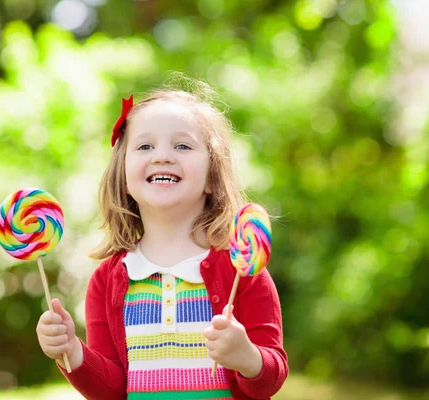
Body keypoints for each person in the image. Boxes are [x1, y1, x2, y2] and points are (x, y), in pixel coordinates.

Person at [36, 78, 288, 399]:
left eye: (182, 145)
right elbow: (111, 390)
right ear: (124, 178)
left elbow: (272, 375)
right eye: (145, 146)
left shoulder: (242, 268)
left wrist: (248, 358)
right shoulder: (107, 280)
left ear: (211, 177)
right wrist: (72, 352)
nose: (162, 156)